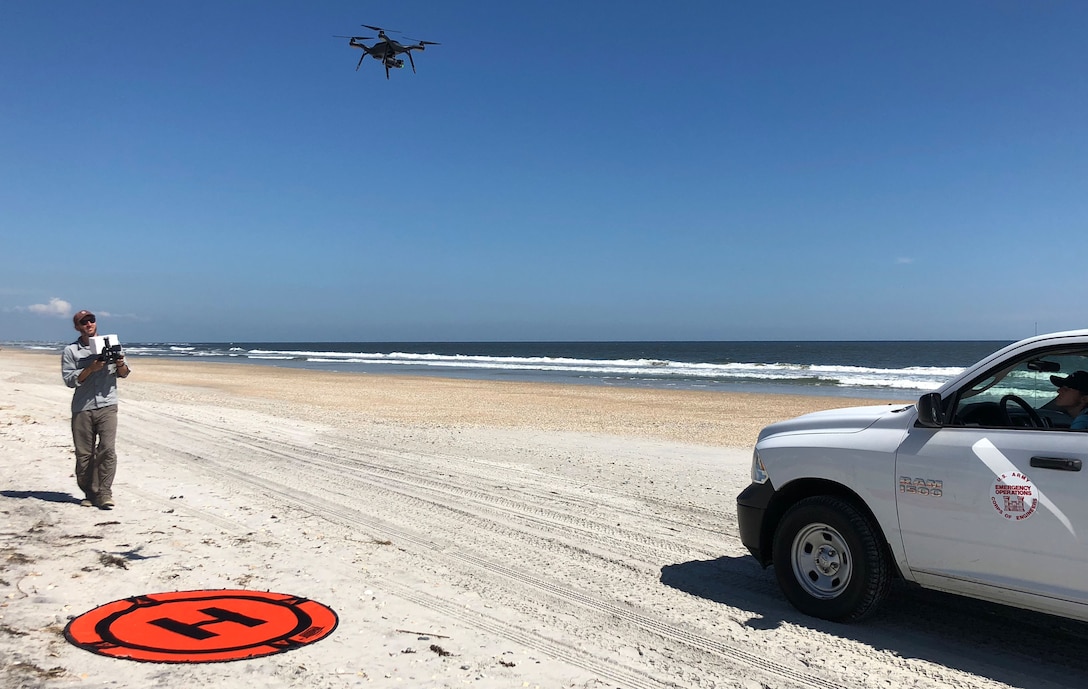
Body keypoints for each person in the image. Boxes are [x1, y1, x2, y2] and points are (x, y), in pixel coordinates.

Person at [61, 310, 131, 509]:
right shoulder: (71, 351)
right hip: (83, 407)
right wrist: (90, 368)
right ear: (78, 327)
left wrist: (119, 363)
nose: (89, 324)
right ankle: (90, 493)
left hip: (108, 404)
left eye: (91, 320)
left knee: (107, 449)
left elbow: (125, 373)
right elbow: (69, 380)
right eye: (83, 322)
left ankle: (105, 492)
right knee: (84, 454)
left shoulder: (112, 344)